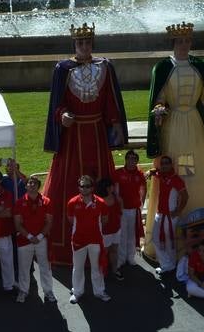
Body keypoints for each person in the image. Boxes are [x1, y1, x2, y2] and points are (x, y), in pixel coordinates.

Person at [43, 23, 128, 264]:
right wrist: (63, 116)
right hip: (73, 137)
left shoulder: (105, 66)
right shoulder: (62, 69)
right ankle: (66, 248)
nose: (84, 46)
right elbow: (56, 103)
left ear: (92, 43)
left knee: (101, 181)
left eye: (88, 42)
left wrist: (116, 125)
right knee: (68, 182)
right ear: (74, 45)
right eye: (80, 43)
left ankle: (105, 245)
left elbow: (111, 100)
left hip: (97, 133)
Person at [145, 21, 204, 259]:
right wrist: (159, 109)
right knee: (179, 171)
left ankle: (201, 226)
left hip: (194, 125)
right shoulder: (162, 68)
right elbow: (158, 98)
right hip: (173, 127)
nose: (183, 45)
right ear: (173, 44)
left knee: (196, 173)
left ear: (191, 43)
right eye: (179, 41)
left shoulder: (201, 66)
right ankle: (173, 235)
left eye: (187, 41)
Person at [65, 174, 110, 303]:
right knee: (78, 267)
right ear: (79, 188)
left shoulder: (101, 203)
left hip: (96, 240)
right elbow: (70, 220)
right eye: (82, 186)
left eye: (87, 186)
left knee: (97, 267)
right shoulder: (72, 202)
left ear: (92, 188)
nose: (84, 189)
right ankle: (77, 292)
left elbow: (105, 220)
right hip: (78, 240)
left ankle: (100, 291)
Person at [12, 175, 55, 303]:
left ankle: (48, 291)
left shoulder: (46, 201)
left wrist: (40, 236)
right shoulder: (19, 203)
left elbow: (49, 221)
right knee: (24, 268)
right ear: (26, 186)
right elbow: (18, 224)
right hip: (25, 240)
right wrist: (30, 236)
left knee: (45, 267)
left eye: (34, 183)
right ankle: (23, 291)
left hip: (42, 240)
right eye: (30, 183)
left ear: (38, 186)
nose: (31, 185)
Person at [147, 154, 189, 273]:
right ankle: (167, 263)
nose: (164, 165)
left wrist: (178, 211)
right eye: (163, 163)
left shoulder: (177, 179)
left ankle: (169, 265)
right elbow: (155, 171)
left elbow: (185, 196)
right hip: (160, 214)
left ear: (171, 165)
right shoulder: (161, 175)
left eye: (167, 163)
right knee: (156, 238)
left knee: (169, 241)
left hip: (170, 216)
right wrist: (150, 171)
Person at [113, 149, 147, 274]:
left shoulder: (140, 174)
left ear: (137, 161)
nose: (132, 161)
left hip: (134, 209)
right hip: (122, 210)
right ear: (126, 160)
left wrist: (141, 205)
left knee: (132, 234)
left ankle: (130, 257)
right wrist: (118, 205)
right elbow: (115, 191)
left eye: (134, 159)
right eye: (130, 158)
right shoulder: (118, 173)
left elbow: (143, 190)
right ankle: (121, 259)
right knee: (122, 234)